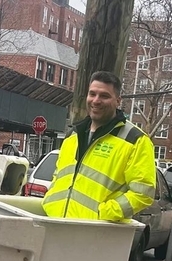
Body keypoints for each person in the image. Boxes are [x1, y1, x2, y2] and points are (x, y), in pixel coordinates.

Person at [42, 71, 156, 222]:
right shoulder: (72, 136)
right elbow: (59, 177)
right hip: (56, 224)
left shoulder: (135, 140)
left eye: (104, 96)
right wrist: (49, 201)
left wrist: (104, 213)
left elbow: (143, 193)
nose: (96, 100)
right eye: (92, 94)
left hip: (96, 233)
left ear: (118, 101)